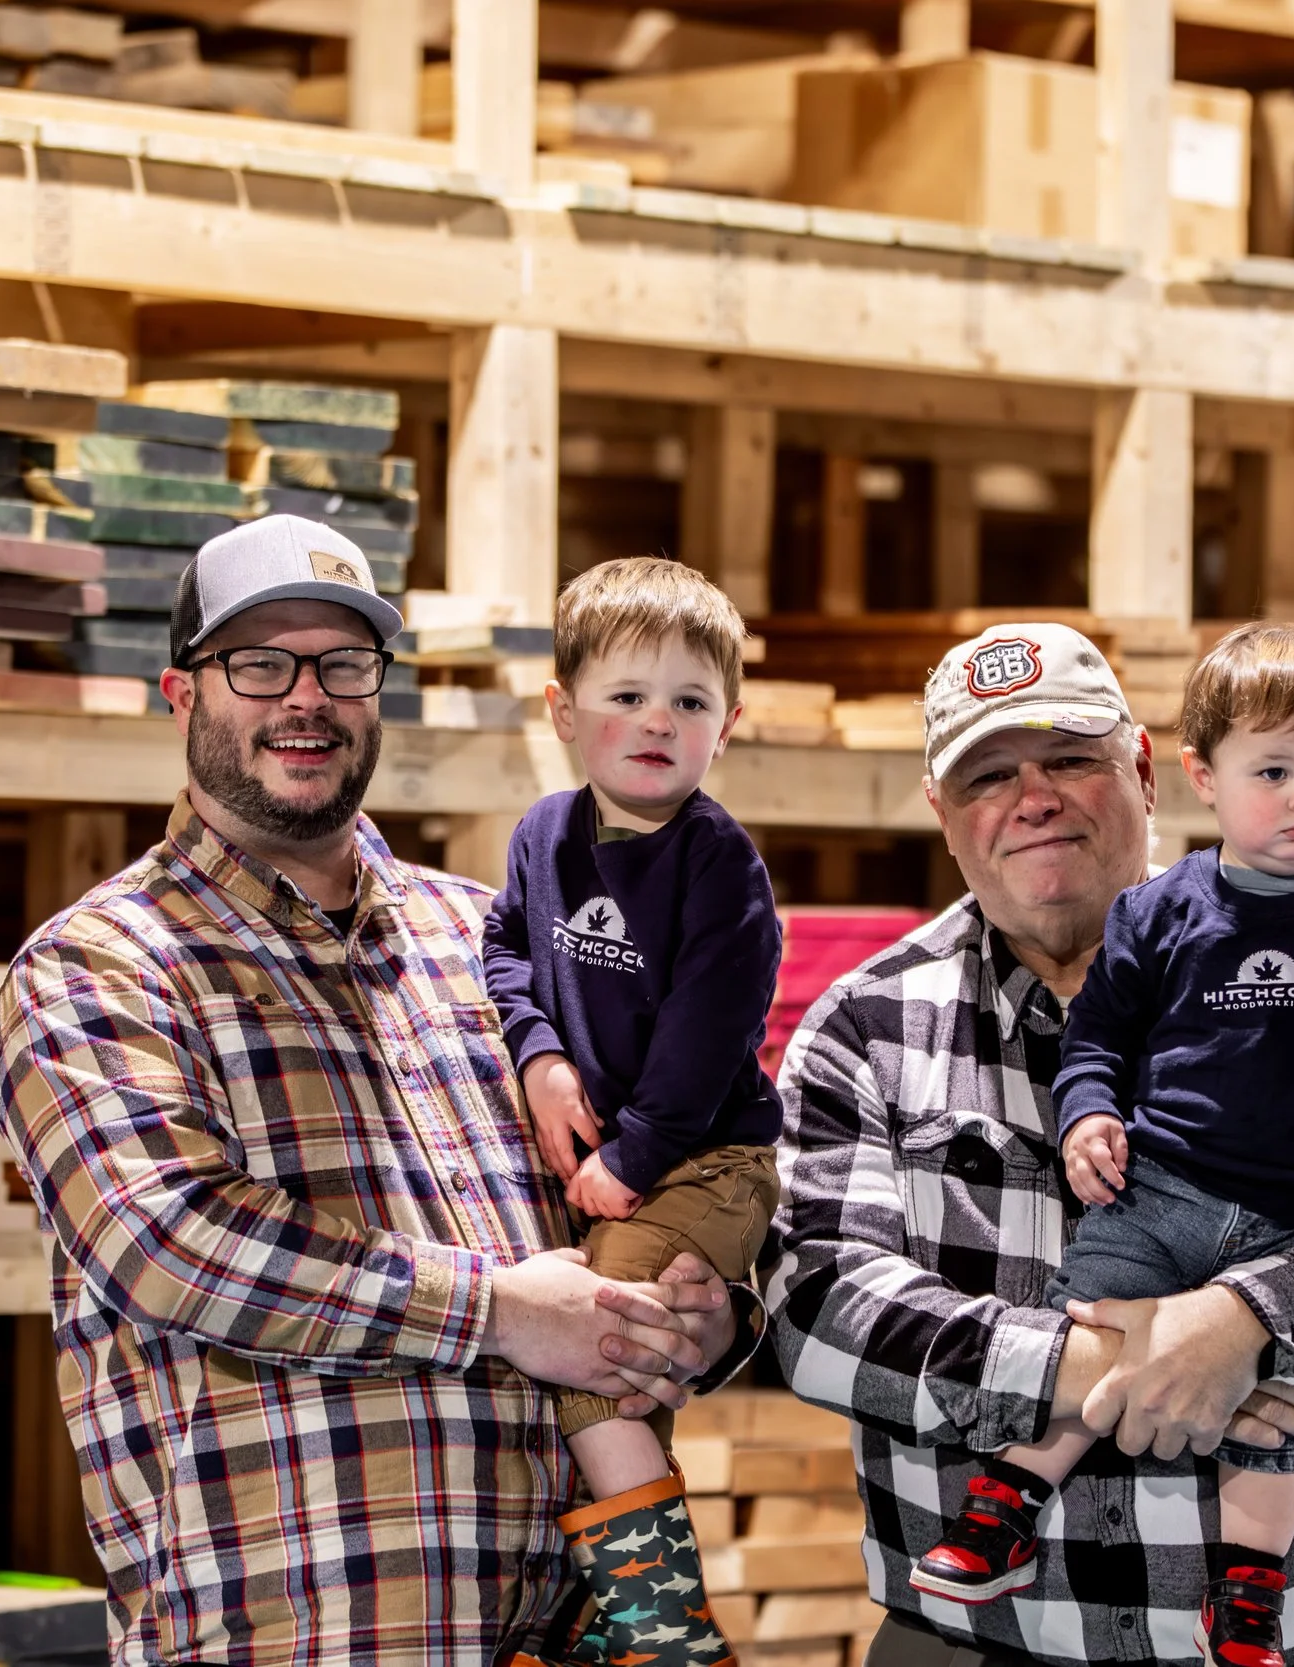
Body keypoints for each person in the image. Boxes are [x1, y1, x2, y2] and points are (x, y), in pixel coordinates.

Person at [0, 516, 754, 1667]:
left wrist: (696, 1311)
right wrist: (496, 1310)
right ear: (181, 694)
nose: (307, 697)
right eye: (260, 663)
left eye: (343, 665)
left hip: (560, 1635)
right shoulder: (100, 964)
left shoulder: (488, 936)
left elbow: (633, 1174)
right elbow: (169, 1242)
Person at [763, 622, 1294, 1667]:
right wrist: (1117, 1367)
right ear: (941, 814)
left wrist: (1249, 1318)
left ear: (1151, 770)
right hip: (979, 1644)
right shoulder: (867, 1027)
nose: (1034, 796)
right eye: (988, 774)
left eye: (1071, 758)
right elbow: (819, 1307)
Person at [484, 557, 784, 1667]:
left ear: (727, 726)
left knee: (598, 1361)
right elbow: (504, 949)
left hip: (705, 1157)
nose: (658, 721)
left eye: (689, 703)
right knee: (622, 1389)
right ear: (563, 710)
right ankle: (593, 1628)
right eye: (626, 696)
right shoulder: (541, 834)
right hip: (609, 1142)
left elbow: (710, 1036)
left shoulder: (721, 869)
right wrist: (541, 1055)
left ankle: (667, 1628)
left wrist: (635, 1152)